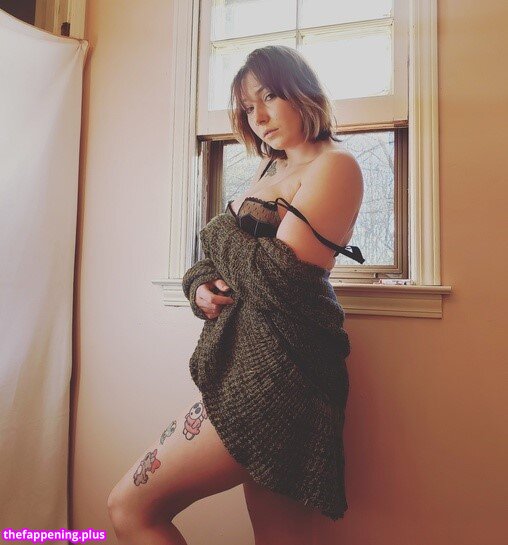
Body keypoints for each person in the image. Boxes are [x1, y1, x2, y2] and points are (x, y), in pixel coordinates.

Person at [107, 45, 364, 545]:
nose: (259, 117)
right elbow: (230, 264)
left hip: (282, 376)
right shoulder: (271, 170)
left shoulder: (336, 165)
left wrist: (217, 231)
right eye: (248, 107)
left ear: (302, 92)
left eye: (269, 97)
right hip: (248, 367)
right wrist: (200, 286)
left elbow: (277, 277)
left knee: (130, 506)